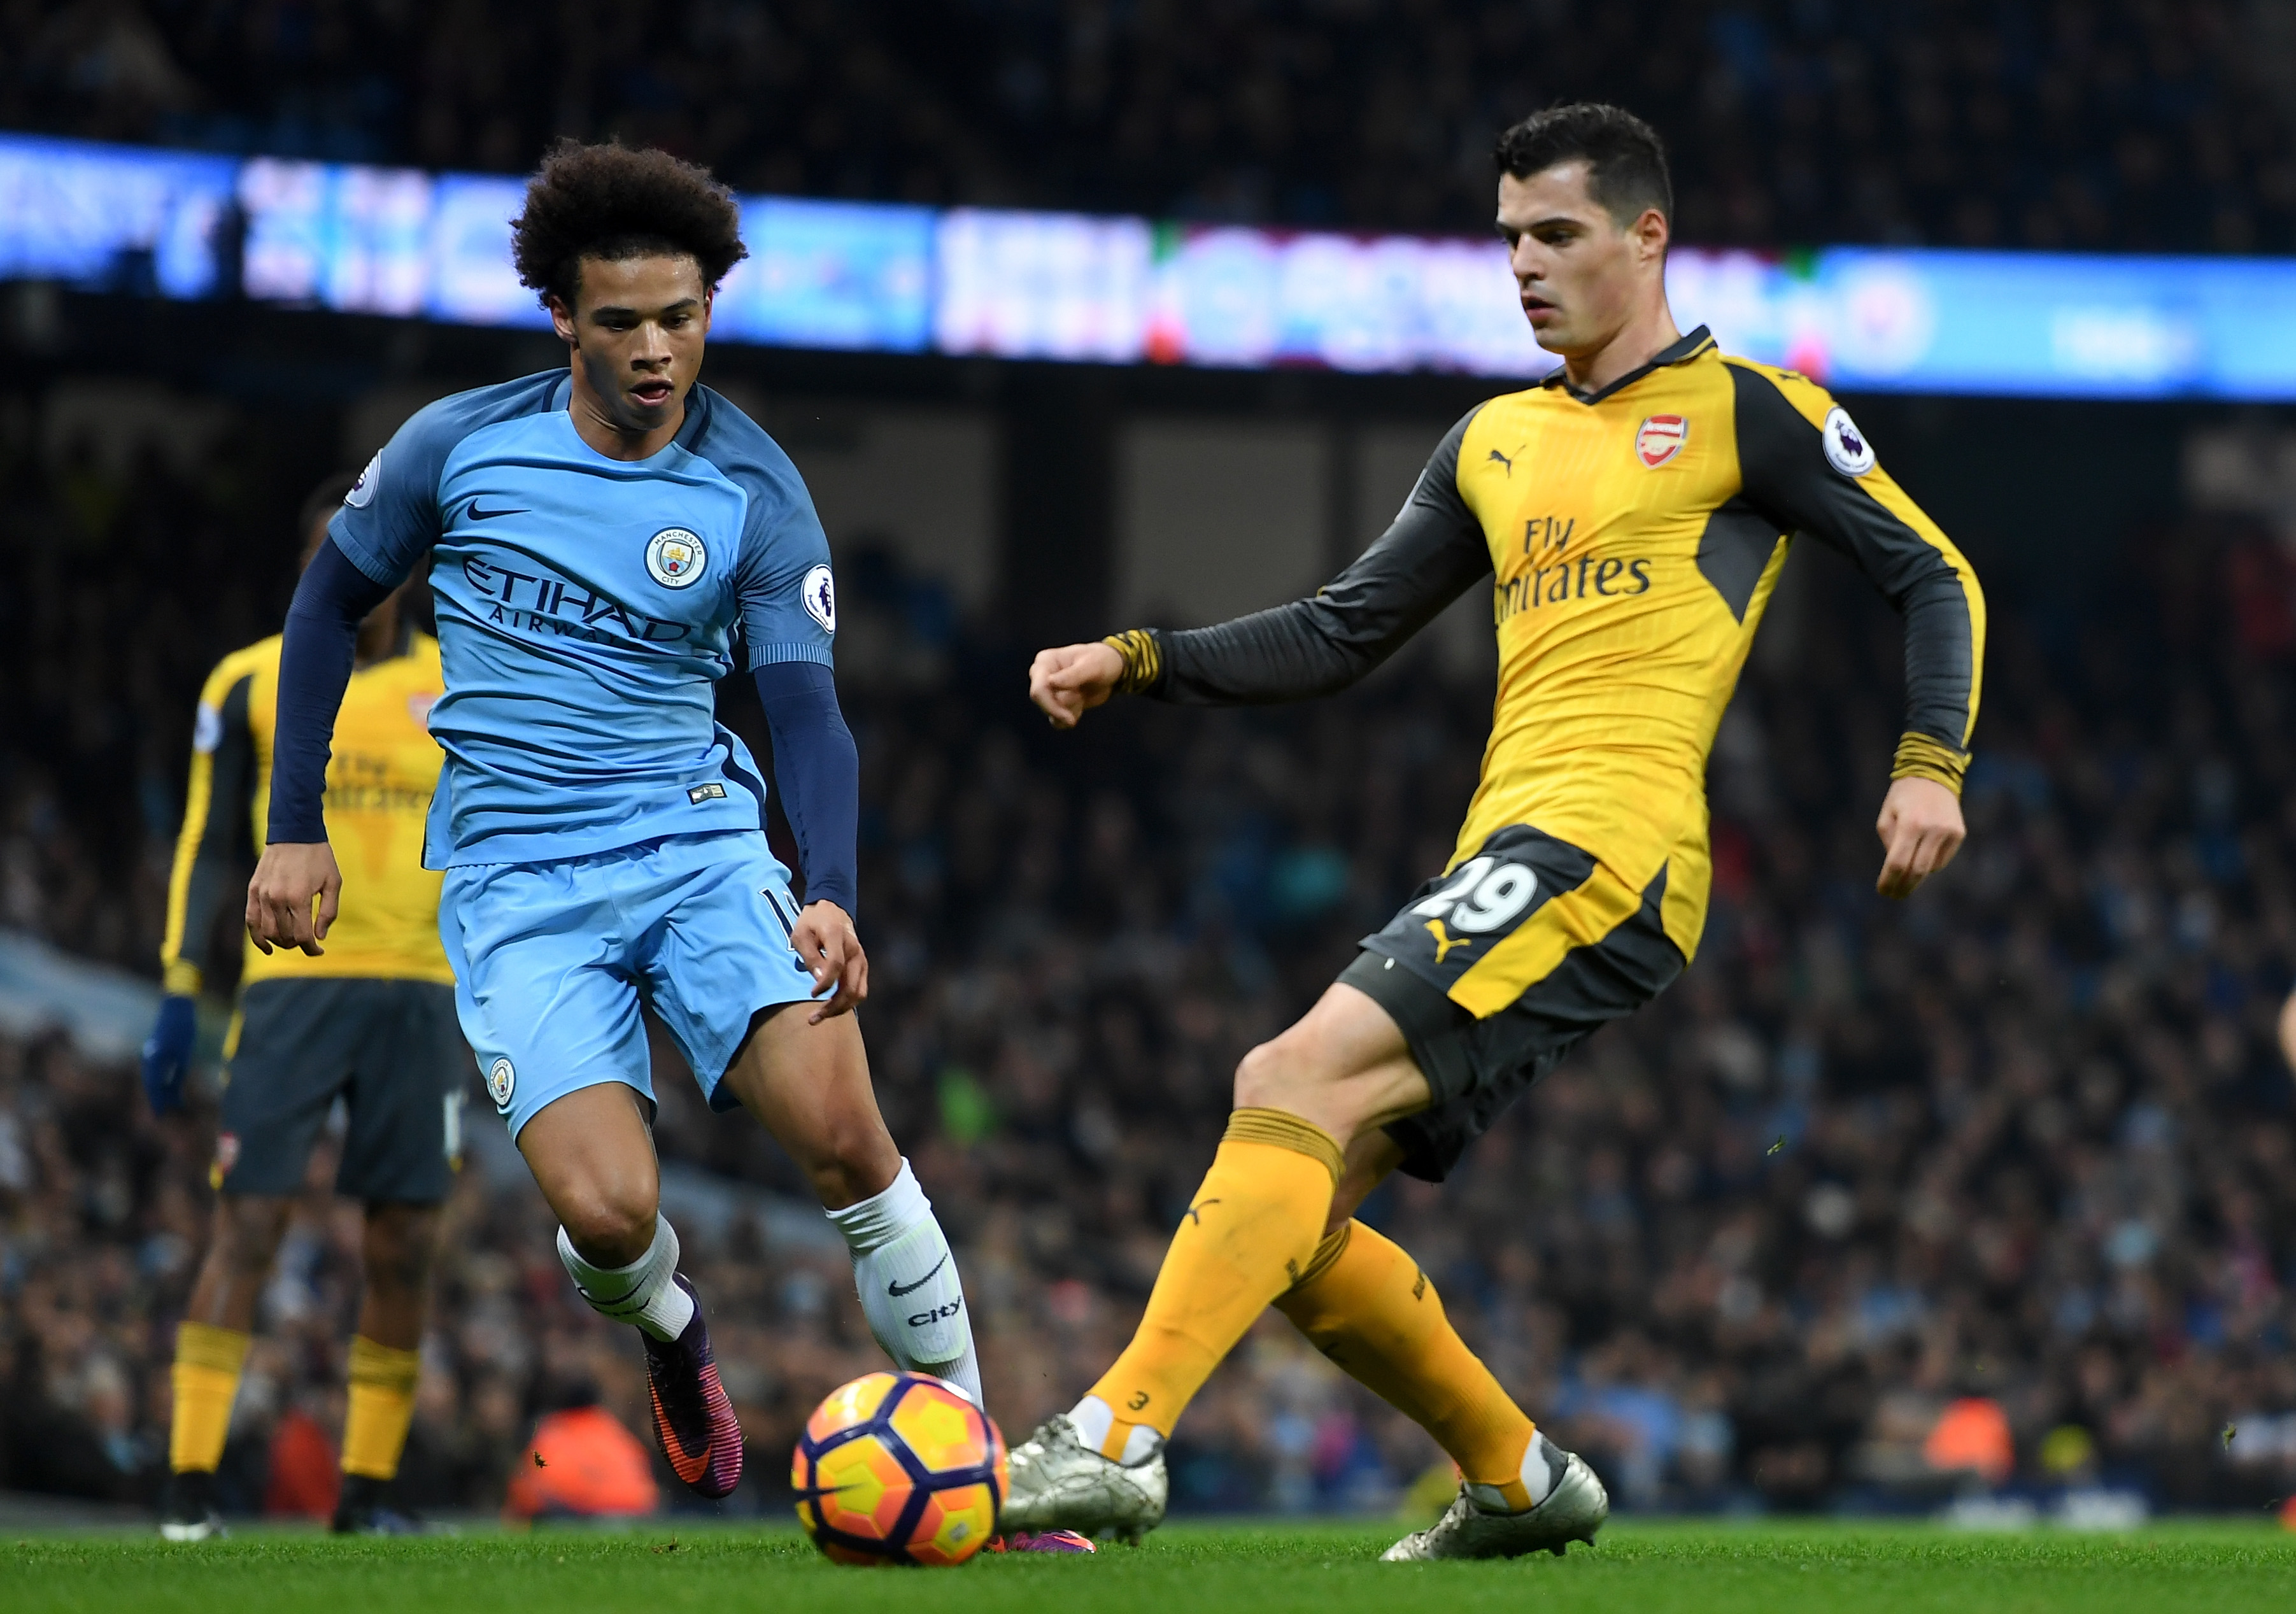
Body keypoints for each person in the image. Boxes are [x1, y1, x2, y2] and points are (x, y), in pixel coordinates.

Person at [1010, 102, 1986, 1559]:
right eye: (1510, 237)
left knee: (1285, 1070)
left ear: (1647, 236)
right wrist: (1143, 656)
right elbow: (1342, 630)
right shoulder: (1494, 438)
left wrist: (1930, 761)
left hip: (1615, 844)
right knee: (1282, 1198)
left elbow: (1937, 574)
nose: (1525, 265)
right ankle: (1519, 1477)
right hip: (1506, 853)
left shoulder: (1748, 410)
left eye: (1558, 234)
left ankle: (1114, 1436)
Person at [242, 141, 995, 1511]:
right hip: (520, 878)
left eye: (681, 318)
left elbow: (807, 711)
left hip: (696, 845)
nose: (656, 349)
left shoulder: (754, 489)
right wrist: (296, 829)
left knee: (845, 1129)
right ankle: (669, 1330)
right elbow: (319, 611)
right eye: (622, 322)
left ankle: (975, 1474)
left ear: (709, 309)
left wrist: (829, 884)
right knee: (607, 1214)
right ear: (562, 321)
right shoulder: (456, 447)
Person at [144, 472, 460, 1539]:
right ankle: (189, 1491)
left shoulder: (463, 683)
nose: (353, 579)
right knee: (251, 1225)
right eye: (332, 557)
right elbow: (202, 841)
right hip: (290, 988)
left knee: (406, 1244)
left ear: (403, 571)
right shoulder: (249, 681)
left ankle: (365, 1498)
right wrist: (181, 989)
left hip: (424, 991)